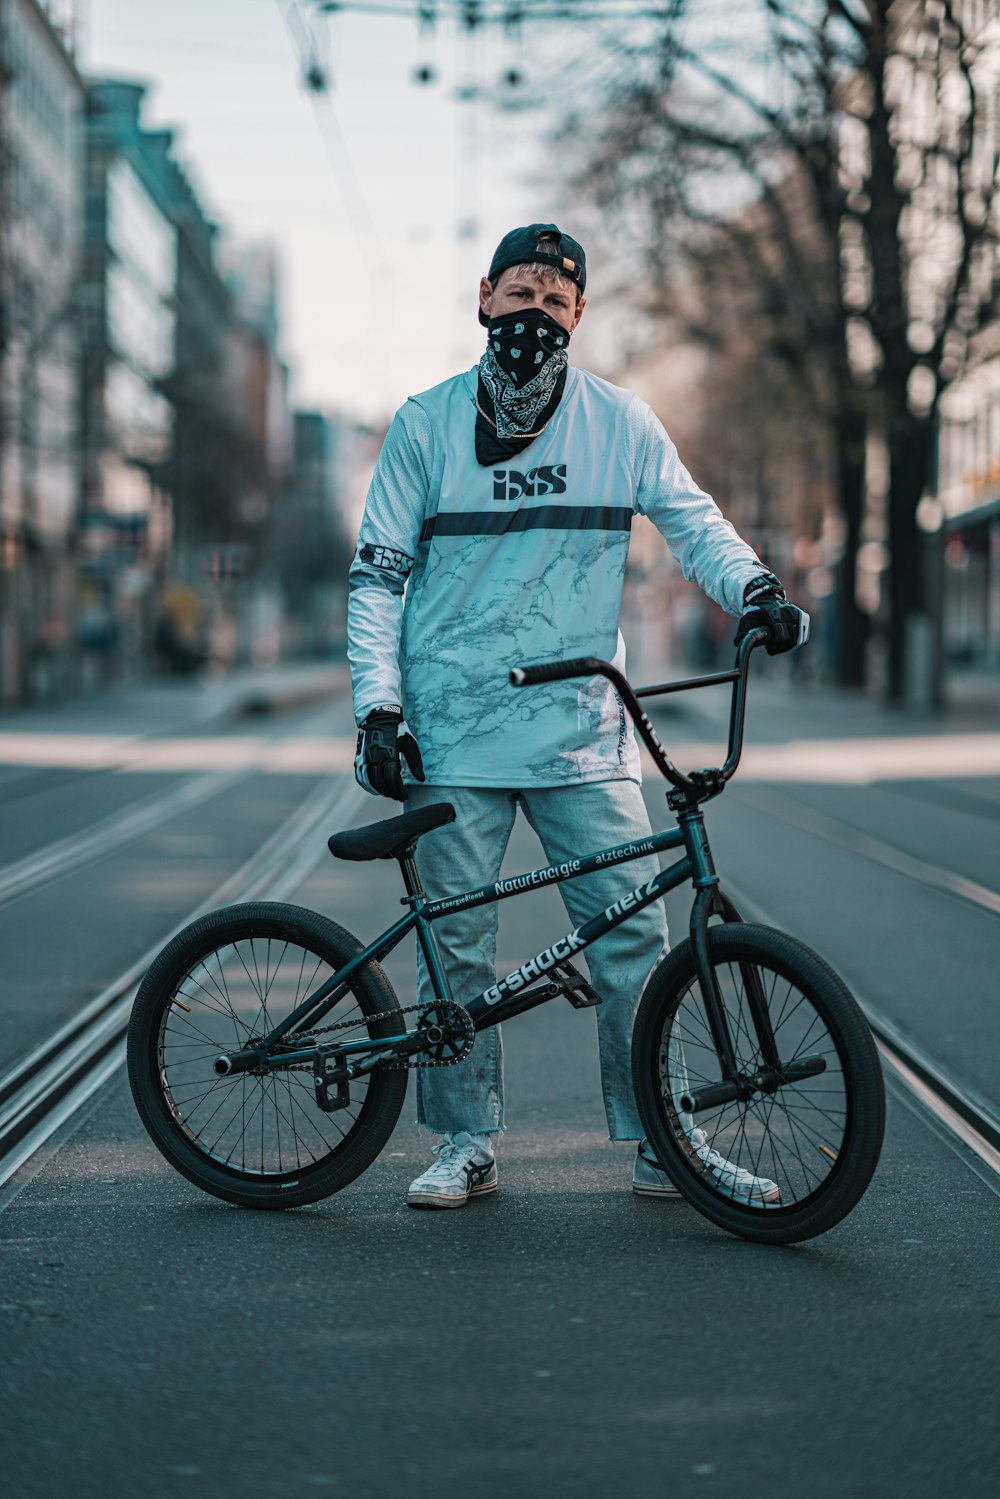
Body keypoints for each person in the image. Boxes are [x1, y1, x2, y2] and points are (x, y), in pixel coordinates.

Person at [347, 223, 808, 1211]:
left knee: (633, 944)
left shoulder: (620, 422)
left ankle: (661, 1140)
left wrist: (756, 588)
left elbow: (692, 521)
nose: (533, 316)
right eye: (518, 295)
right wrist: (377, 708)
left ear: (579, 316)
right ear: (482, 298)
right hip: (453, 727)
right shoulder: (425, 425)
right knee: (457, 947)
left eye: (554, 303)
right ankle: (465, 1139)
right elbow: (378, 575)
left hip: (583, 735)